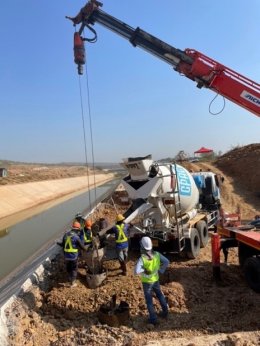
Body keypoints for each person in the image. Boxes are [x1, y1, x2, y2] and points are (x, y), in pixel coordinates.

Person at [134, 236, 169, 326]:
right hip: (155, 280)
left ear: (142, 246)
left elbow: (136, 271)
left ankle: (153, 319)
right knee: (160, 295)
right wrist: (161, 270)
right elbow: (166, 262)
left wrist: (144, 269)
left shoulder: (142, 258)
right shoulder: (157, 254)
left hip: (147, 282)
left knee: (149, 301)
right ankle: (165, 312)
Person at [59, 221, 89, 287]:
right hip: (73, 256)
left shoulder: (66, 235)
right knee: (74, 269)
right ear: (77, 229)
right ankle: (72, 283)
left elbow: (62, 245)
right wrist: (87, 249)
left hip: (66, 256)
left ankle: (69, 278)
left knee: (69, 267)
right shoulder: (76, 237)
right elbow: (82, 247)